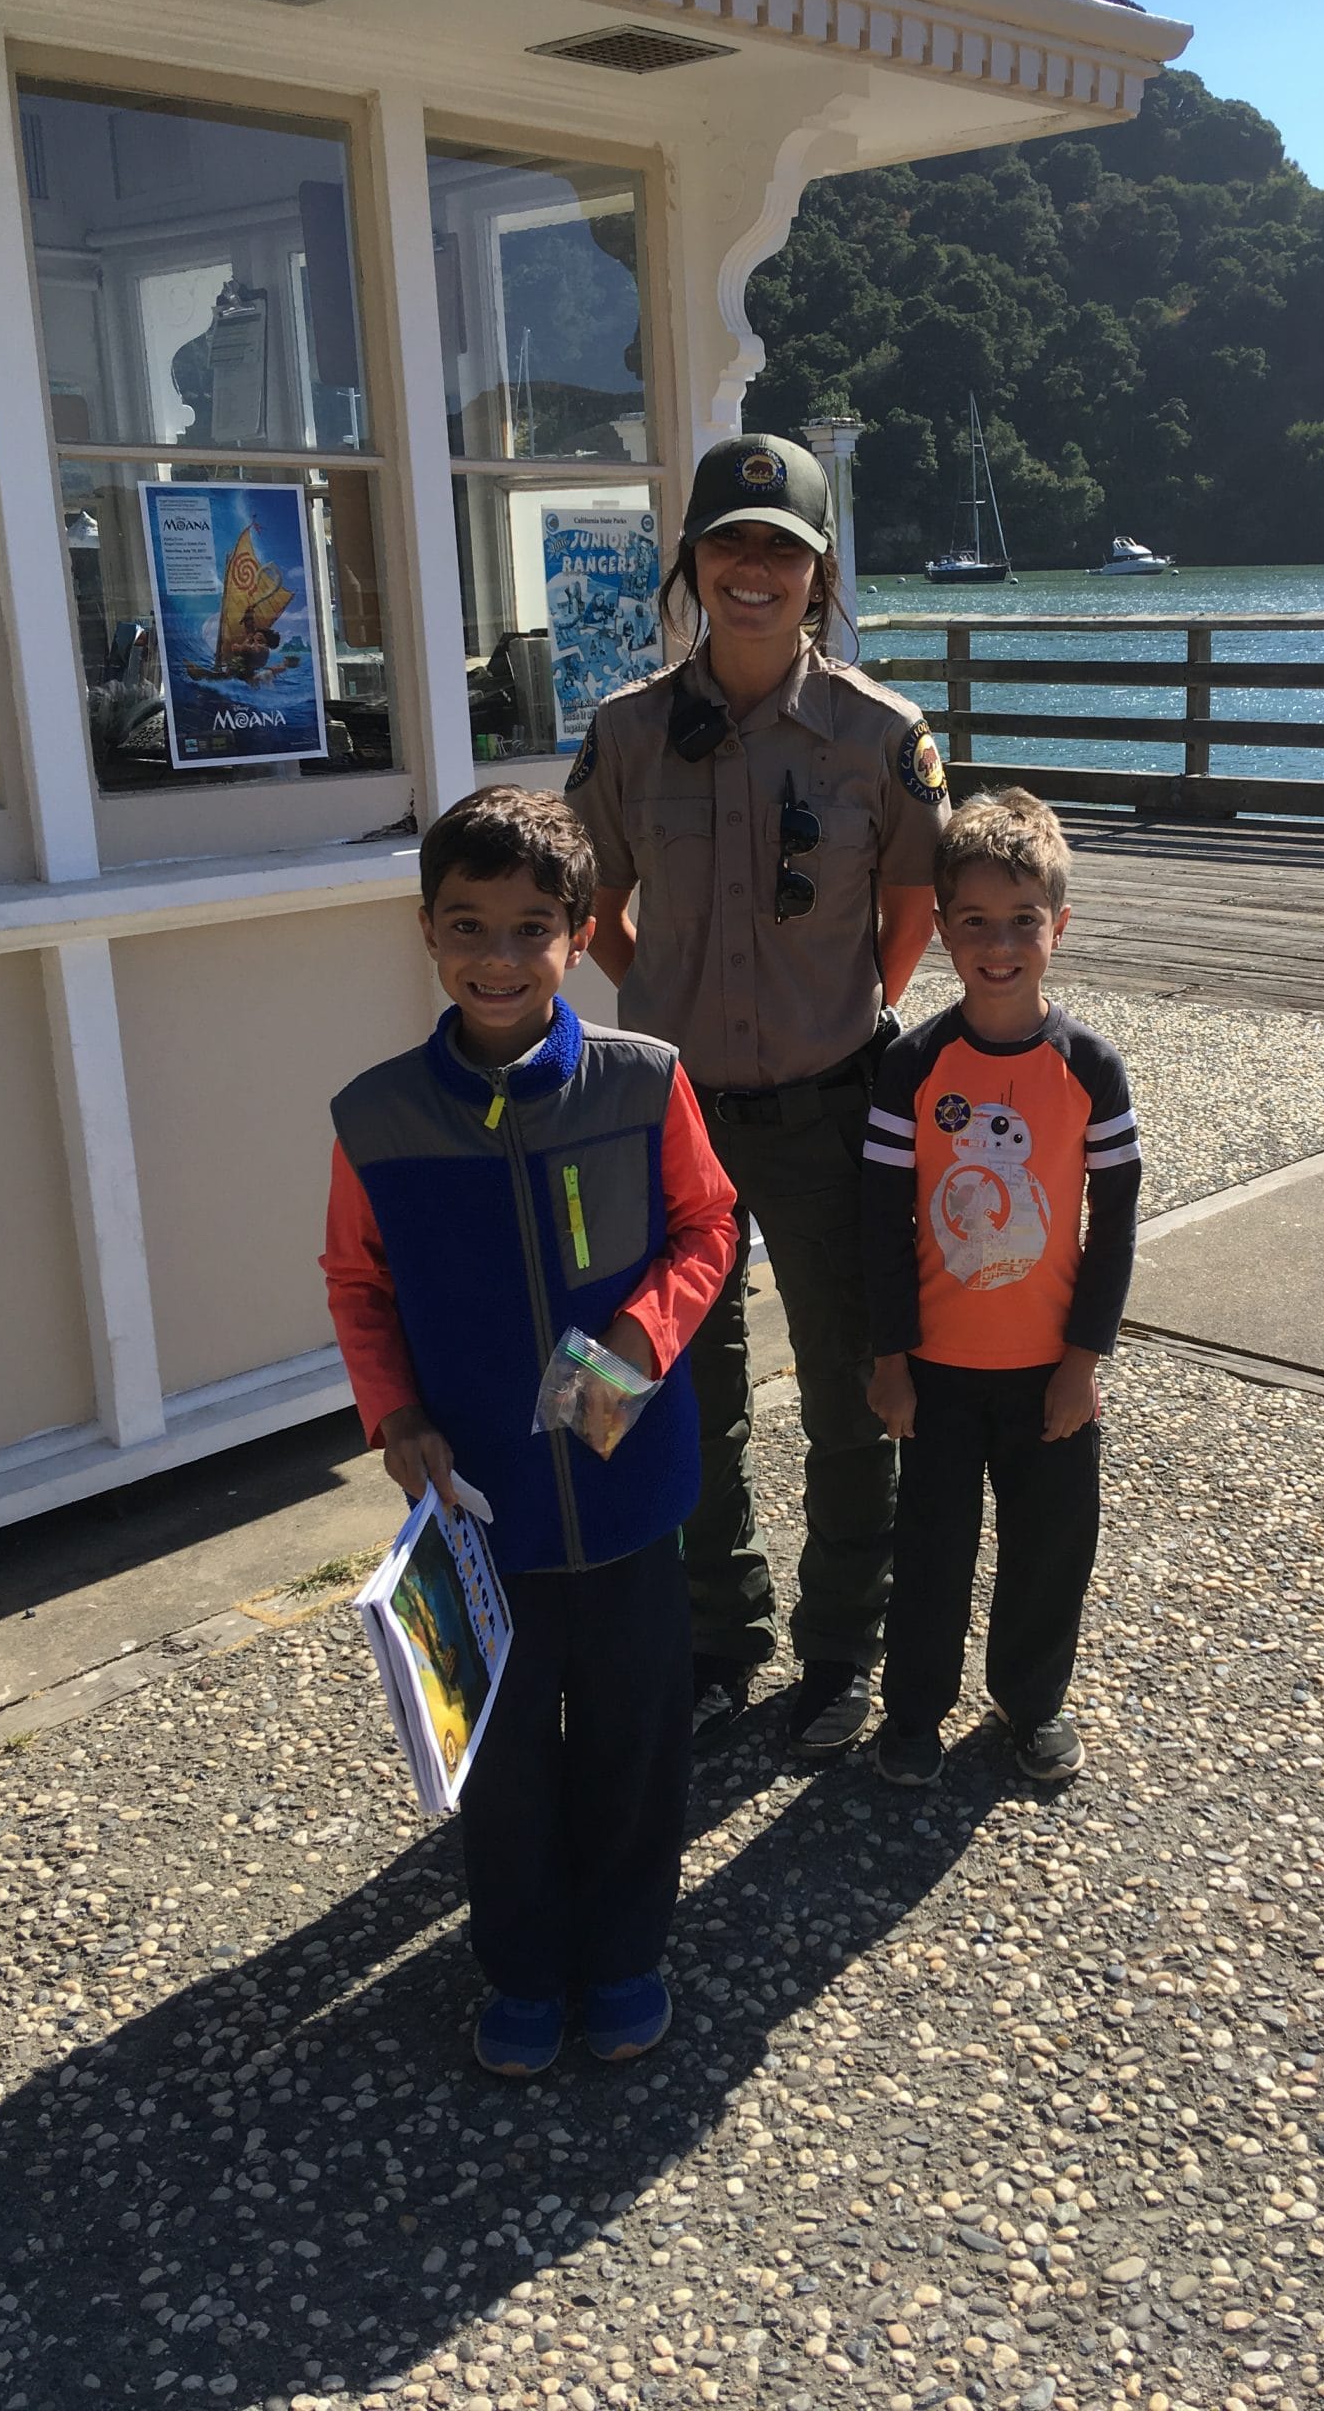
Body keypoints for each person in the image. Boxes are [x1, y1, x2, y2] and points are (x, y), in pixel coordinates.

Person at [320, 787, 737, 2079]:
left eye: (530, 929)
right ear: (426, 933)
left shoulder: (645, 1080)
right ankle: (518, 1967)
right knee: (499, 1773)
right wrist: (394, 1417)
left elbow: (708, 1228)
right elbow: (356, 1284)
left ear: (582, 932)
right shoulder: (376, 1117)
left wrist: (643, 1341)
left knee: (633, 1746)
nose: (496, 959)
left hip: (629, 1509)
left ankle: (622, 1957)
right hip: (480, 1521)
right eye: (466, 926)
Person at [565, 434, 949, 1762]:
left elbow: (911, 912)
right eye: (729, 543)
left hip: (829, 1108)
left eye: (780, 548)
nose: (753, 569)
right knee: (683, 1386)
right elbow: (588, 908)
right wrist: (653, 984)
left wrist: (838, 1014)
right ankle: (722, 1642)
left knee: (854, 1385)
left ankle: (843, 1647)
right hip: (669, 1120)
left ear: (819, 570)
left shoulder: (878, 739)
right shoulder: (623, 738)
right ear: (692, 561)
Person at [860, 789, 1141, 1788]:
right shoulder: (912, 1066)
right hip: (934, 1372)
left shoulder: (1090, 1071)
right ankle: (914, 1711)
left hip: (1047, 1377)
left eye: (1023, 921)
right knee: (930, 1554)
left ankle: (1032, 1702)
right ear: (940, 930)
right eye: (974, 921)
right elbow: (882, 1223)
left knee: (1048, 1550)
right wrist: (890, 1360)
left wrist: (1083, 1362)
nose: (999, 943)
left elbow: (1114, 1227)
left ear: (1058, 927)